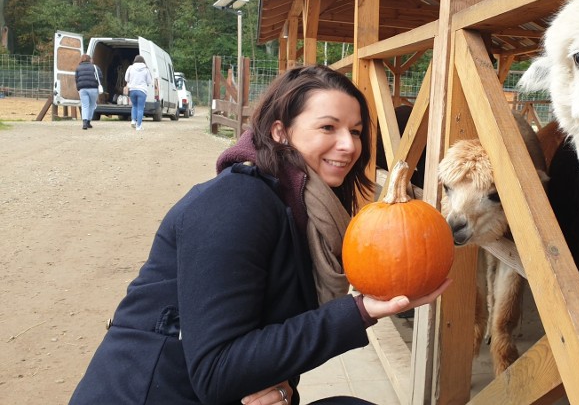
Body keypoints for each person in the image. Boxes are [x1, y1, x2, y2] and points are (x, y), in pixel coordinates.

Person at [69, 65, 451, 405]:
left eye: (355, 131)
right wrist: (361, 312)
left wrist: (283, 390)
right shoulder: (236, 202)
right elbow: (216, 371)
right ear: (280, 132)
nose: (349, 145)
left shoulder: (308, 213)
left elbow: (268, 347)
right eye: (328, 127)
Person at [75, 54, 104, 130]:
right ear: (90, 59)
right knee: (92, 105)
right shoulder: (95, 67)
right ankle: (88, 121)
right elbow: (100, 77)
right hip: (93, 88)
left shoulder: (78, 68)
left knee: (84, 105)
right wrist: (98, 84)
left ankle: (84, 122)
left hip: (82, 89)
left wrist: (78, 88)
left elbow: (76, 79)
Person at [124, 54, 152, 131]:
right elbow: (149, 81)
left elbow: (126, 78)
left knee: (134, 106)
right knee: (140, 108)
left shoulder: (130, 67)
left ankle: (133, 120)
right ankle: (139, 126)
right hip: (142, 90)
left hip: (132, 89)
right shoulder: (146, 69)